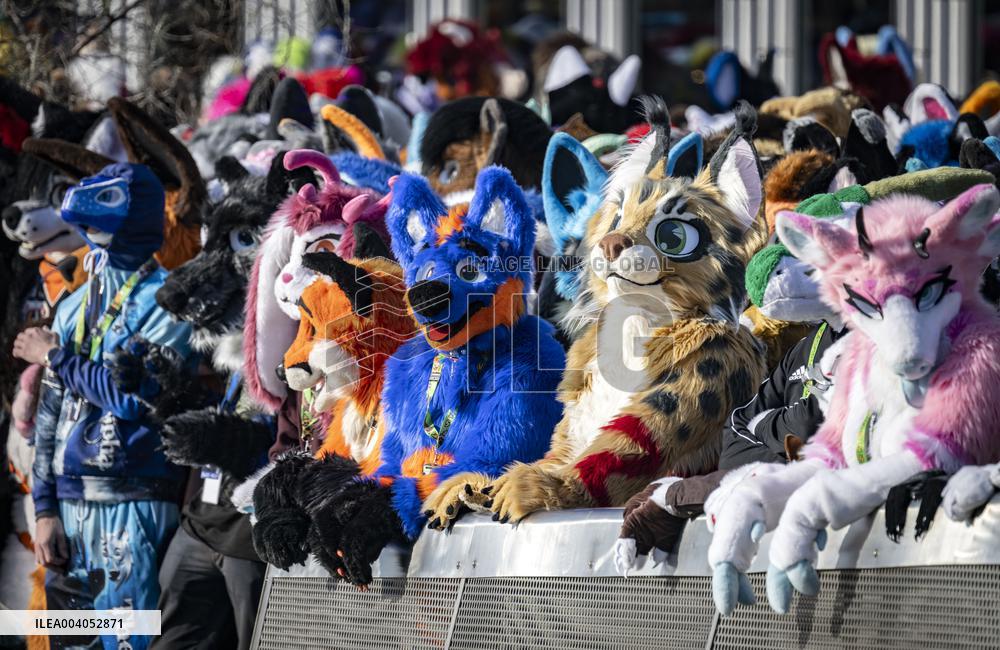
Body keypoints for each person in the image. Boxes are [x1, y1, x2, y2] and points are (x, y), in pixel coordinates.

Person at [15, 162, 191, 650]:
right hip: (68, 510)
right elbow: (49, 415)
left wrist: (53, 355)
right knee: (69, 643)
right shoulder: (71, 306)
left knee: (130, 642)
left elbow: (133, 397)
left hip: (135, 501)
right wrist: (45, 508)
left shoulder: (169, 300)